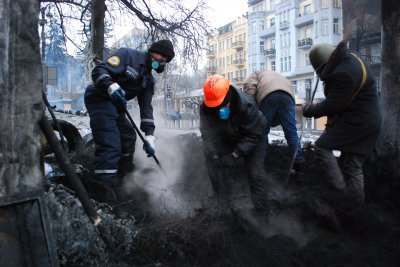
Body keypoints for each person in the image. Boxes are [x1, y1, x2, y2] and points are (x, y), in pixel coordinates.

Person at [84, 40, 175, 195]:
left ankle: (124, 179)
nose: (162, 61)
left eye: (166, 60)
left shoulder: (148, 81)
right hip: (100, 98)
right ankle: (104, 191)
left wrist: (150, 136)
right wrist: (110, 85)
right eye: (161, 55)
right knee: (110, 144)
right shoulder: (128, 55)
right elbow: (99, 70)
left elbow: (146, 109)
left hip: (116, 106)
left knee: (128, 136)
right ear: (153, 51)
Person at [302, 40, 381, 202]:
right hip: (364, 120)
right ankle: (354, 202)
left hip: (359, 123)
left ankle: (342, 192)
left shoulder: (343, 73)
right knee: (350, 163)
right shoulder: (351, 60)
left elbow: (333, 106)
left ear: (324, 66)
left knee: (323, 147)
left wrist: (309, 110)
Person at [200, 74, 270, 212]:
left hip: (253, 136)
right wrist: (213, 154)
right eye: (216, 107)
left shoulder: (247, 105)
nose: (219, 109)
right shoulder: (207, 106)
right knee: (211, 161)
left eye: (221, 105)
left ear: (228, 97)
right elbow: (207, 133)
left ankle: (262, 211)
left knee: (256, 173)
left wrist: (235, 154)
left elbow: (253, 134)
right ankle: (221, 199)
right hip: (227, 134)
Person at [243, 70, 306, 175]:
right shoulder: (275, 75)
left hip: (269, 95)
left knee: (262, 133)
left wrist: (252, 108)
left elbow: (249, 88)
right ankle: (299, 162)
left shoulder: (255, 74)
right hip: (288, 96)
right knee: (291, 133)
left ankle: (260, 163)